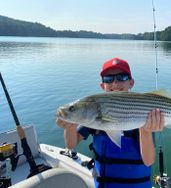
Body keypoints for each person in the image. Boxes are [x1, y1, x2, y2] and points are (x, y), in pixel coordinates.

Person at [56, 57, 164, 188]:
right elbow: (71, 144)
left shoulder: (143, 113)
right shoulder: (92, 116)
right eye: (108, 79)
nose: (115, 83)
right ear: (102, 85)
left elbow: (148, 161)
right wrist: (70, 125)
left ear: (131, 82)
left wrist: (145, 131)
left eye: (122, 77)